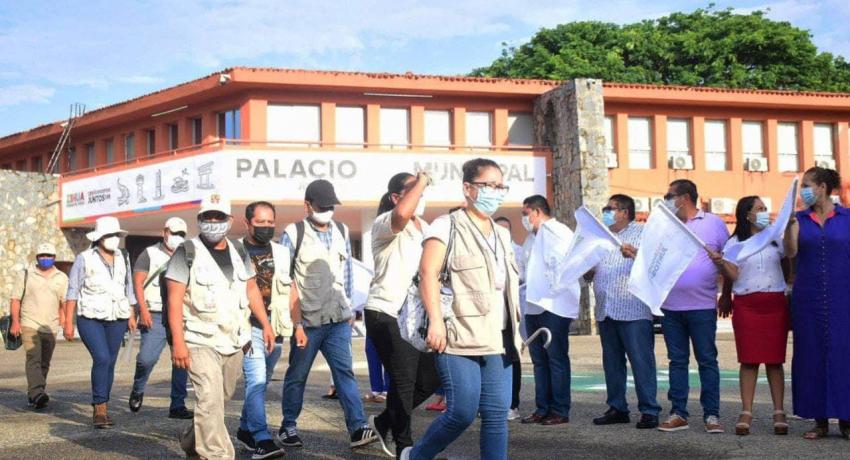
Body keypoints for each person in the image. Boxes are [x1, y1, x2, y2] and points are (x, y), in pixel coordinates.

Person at [402, 158, 522, 460]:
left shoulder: (503, 233)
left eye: (500, 186)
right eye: (488, 185)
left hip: (500, 337)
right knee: (462, 412)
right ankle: (416, 457)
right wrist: (435, 323)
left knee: (496, 416)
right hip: (458, 335)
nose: (496, 191)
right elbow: (428, 274)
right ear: (468, 188)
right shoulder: (447, 225)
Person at [166, 193, 277, 459]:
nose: (213, 222)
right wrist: (178, 343)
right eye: (207, 217)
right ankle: (218, 454)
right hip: (199, 339)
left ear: (229, 220)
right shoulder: (186, 251)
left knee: (219, 398)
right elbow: (174, 299)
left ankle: (192, 440)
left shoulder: (239, 250)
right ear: (199, 220)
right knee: (210, 399)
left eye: (218, 217)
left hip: (234, 339)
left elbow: (251, 289)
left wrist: (265, 324)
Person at [278, 179, 378, 449]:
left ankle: (357, 428)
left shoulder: (342, 230)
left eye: (331, 206)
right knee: (297, 375)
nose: (328, 211)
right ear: (307, 206)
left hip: (337, 320)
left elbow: (344, 273)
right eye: (322, 206)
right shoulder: (293, 233)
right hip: (308, 322)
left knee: (345, 373)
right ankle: (288, 426)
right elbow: (285, 280)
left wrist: (348, 308)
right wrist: (296, 323)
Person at [364, 171, 441, 458]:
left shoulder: (426, 227)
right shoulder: (386, 223)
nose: (421, 195)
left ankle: (384, 420)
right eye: (413, 191)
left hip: (417, 316)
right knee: (404, 378)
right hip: (386, 311)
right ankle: (404, 446)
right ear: (397, 197)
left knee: (431, 378)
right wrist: (421, 180)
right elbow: (402, 215)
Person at [712, 196, 790, 436]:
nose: (765, 212)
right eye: (759, 209)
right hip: (747, 306)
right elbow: (733, 274)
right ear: (747, 215)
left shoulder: (776, 238)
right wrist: (721, 264)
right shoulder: (735, 242)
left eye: (766, 208)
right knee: (749, 360)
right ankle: (746, 411)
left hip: (775, 304)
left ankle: (779, 411)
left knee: (775, 361)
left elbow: (788, 265)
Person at [656, 179, 728, 434]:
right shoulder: (666, 225)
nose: (666, 200)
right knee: (677, 361)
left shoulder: (714, 224)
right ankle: (678, 413)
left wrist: (727, 294)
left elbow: (728, 262)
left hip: (701, 306)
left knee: (707, 360)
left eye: (669, 195)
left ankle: (712, 415)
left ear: (684, 198)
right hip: (671, 307)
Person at [783, 167, 850, 440]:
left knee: (845, 354)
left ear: (822, 187)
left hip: (844, 295)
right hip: (808, 297)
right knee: (811, 355)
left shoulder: (847, 217)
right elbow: (791, 252)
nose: (804, 192)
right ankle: (820, 421)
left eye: (807, 186)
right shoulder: (799, 219)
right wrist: (788, 226)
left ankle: (846, 420)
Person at [589, 195, 661, 429]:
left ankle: (649, 409)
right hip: (606, 308)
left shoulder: (642, 233)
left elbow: (655, 265)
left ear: (625, 212)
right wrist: (587, 269)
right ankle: (617, 407)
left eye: (610, 209)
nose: (606, 213)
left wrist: (636, 254)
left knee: (641, 360)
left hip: (633, 308)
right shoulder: (602, 236)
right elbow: (590, 274)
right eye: (606, 209)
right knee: (612, 362)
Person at [63, 216, 136, 428]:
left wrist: (131, 314)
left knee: (110, 361)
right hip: (89, 318)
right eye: (109, 235)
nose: (113, 239)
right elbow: (73, 289)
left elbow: (128, 287)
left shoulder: (124, 257)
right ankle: (99, 407)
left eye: (116, 235)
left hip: (117, 317)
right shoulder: (84, 258)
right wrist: (68, 322)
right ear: (99, 237)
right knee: (102, 358)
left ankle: (104, 405)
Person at [235, 201, 292, 459]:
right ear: (247, 223)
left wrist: (298, 325)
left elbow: (291, 288)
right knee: (256, 379)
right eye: (260, 222)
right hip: (248, 326)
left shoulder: (281, 252)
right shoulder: (235, 251)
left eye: (271, 222)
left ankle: (245, 429)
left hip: (275, 327)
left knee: (262, 380)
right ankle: (261, 437)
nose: (266, 227)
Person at [129, 217, 193, 419]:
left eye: (182, 234)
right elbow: (138, 283)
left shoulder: (188, 254)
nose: (177, 238)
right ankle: (138, 388)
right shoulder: (150, 253)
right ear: (165, 232)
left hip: (181, 314)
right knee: (147, 359)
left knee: (181, 360)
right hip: (155, 314)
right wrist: (142, 310)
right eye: (174, 233)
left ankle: (177, 404)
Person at [520, 194, 576, 426]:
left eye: (525, 213)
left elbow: (562, 266)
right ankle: (542, 408)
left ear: (537, 211)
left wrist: (549, 290)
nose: (524, 218)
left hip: (554, 305)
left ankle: (559, 410)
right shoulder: (530, 239)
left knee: (555, 358)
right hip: (533, 305)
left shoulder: (558, 232)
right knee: (539, 360)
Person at [8, 243, 68, 409]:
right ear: (37, 257)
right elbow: (15, 299)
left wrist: (65, 322)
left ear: (54, 258)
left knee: (44, 362)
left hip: (50, 326)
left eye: (49, 255)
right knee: (33, 357)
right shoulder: (26, 274)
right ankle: (37, 393)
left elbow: (65, 302)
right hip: (29, 323)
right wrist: (15, 322)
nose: (45, 258)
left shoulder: (61, 277)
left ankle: (34, 393)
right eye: (42, 255)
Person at [495, 215, 524, 421]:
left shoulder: (518, 252)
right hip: (490, 317)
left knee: (512, 360)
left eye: (506, 229)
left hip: (511, 317)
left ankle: (512, 404)